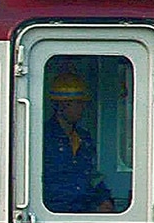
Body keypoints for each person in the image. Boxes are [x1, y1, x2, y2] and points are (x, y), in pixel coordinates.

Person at [42, 72, 115, 213]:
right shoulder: (44, 137)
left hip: (83, 212)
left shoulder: (84, 138)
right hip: (54, 213)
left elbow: (91, 175)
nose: (82, 108)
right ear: (61, 106)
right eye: (77, 103)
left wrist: (103, 199)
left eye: (83, 103)